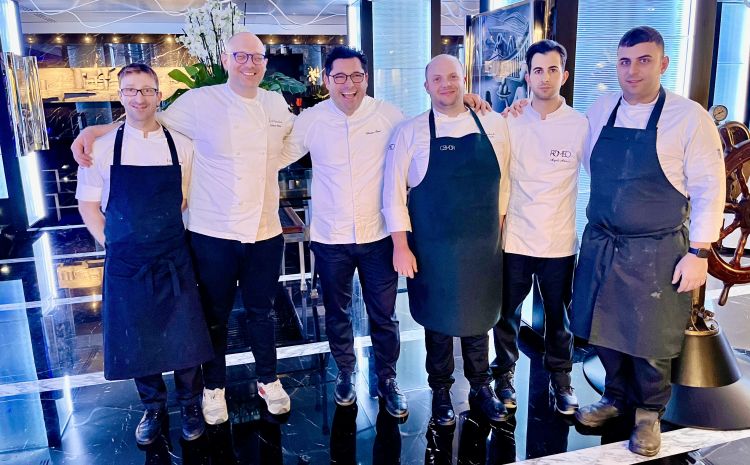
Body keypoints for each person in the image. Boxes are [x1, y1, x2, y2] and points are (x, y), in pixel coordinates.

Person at [72, 32, 295, 420]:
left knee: (262, 311)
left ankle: (268, 378)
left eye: (256, 57)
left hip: (263, 231)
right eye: (240, 56)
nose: (249, 63)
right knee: (213, 315)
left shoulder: (275, 104)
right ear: (225, 60)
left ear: (265, 62)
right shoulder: (197, 101)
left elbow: (294, 139)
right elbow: (144, 119)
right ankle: (212, 389)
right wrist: (95, 131)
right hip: (212, 234)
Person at [570, 26, 725, 456]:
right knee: (603, 329)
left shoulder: (687, 117)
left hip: (657, 246)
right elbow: (587, 164)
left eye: (643, 60)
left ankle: (648, 414)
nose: (632, 70)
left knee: (650, 339)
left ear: (663, 63)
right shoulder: (602, 109)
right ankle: (615, 397)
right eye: (624, 61)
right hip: (602, 241)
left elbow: (711, 187)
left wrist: (700, 253)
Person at [76, 63, 214, 446]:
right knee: (137, 339)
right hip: (126, 262)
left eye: (147, 90)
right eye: (131, 90)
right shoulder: (101, 148)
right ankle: (152, 407)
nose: (139, 97)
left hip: (173, 256)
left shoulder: (180, 146)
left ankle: (190, 403)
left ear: (159, 95)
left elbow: (184, 198)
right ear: (120, 95)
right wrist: (113, 244)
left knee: (185, 337)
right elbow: (88, 206)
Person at [278, 46, 409, 418]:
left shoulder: (389, 116)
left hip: (378, 235)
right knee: (336, 312)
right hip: (330, 236)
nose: (348, 85)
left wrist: (464, 103)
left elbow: (424, 141)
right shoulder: (312, 119)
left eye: (356, 77)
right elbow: (274, 154)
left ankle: (388, 379)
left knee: (383, 315)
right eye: (339, 77)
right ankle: (346, 373)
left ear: (366, 78)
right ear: (326, 80)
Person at [383, 54, 511, 426]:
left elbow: (505, 183)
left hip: (481, 246)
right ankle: (440, 389)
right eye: (437, 79)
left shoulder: (494, 123)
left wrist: (497, 229)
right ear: (426, 86)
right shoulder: (411, 131)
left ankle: (481, 387)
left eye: (452, 77)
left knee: (479, 318)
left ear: (464, 80)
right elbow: (393, 193)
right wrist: (400, 245)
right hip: (434, 248)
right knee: (438, 322)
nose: (446, 84)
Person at [492, 40, 586, 416]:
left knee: (557, 318)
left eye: (552, 70)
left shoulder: (581, 125)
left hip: (559, 240)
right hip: (515, 236)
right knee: (506, 314)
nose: (544, 78)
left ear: (563, 75)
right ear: (527, 76)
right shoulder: (510, 120)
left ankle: (561, 380)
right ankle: (504, 374)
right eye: (536, 70)